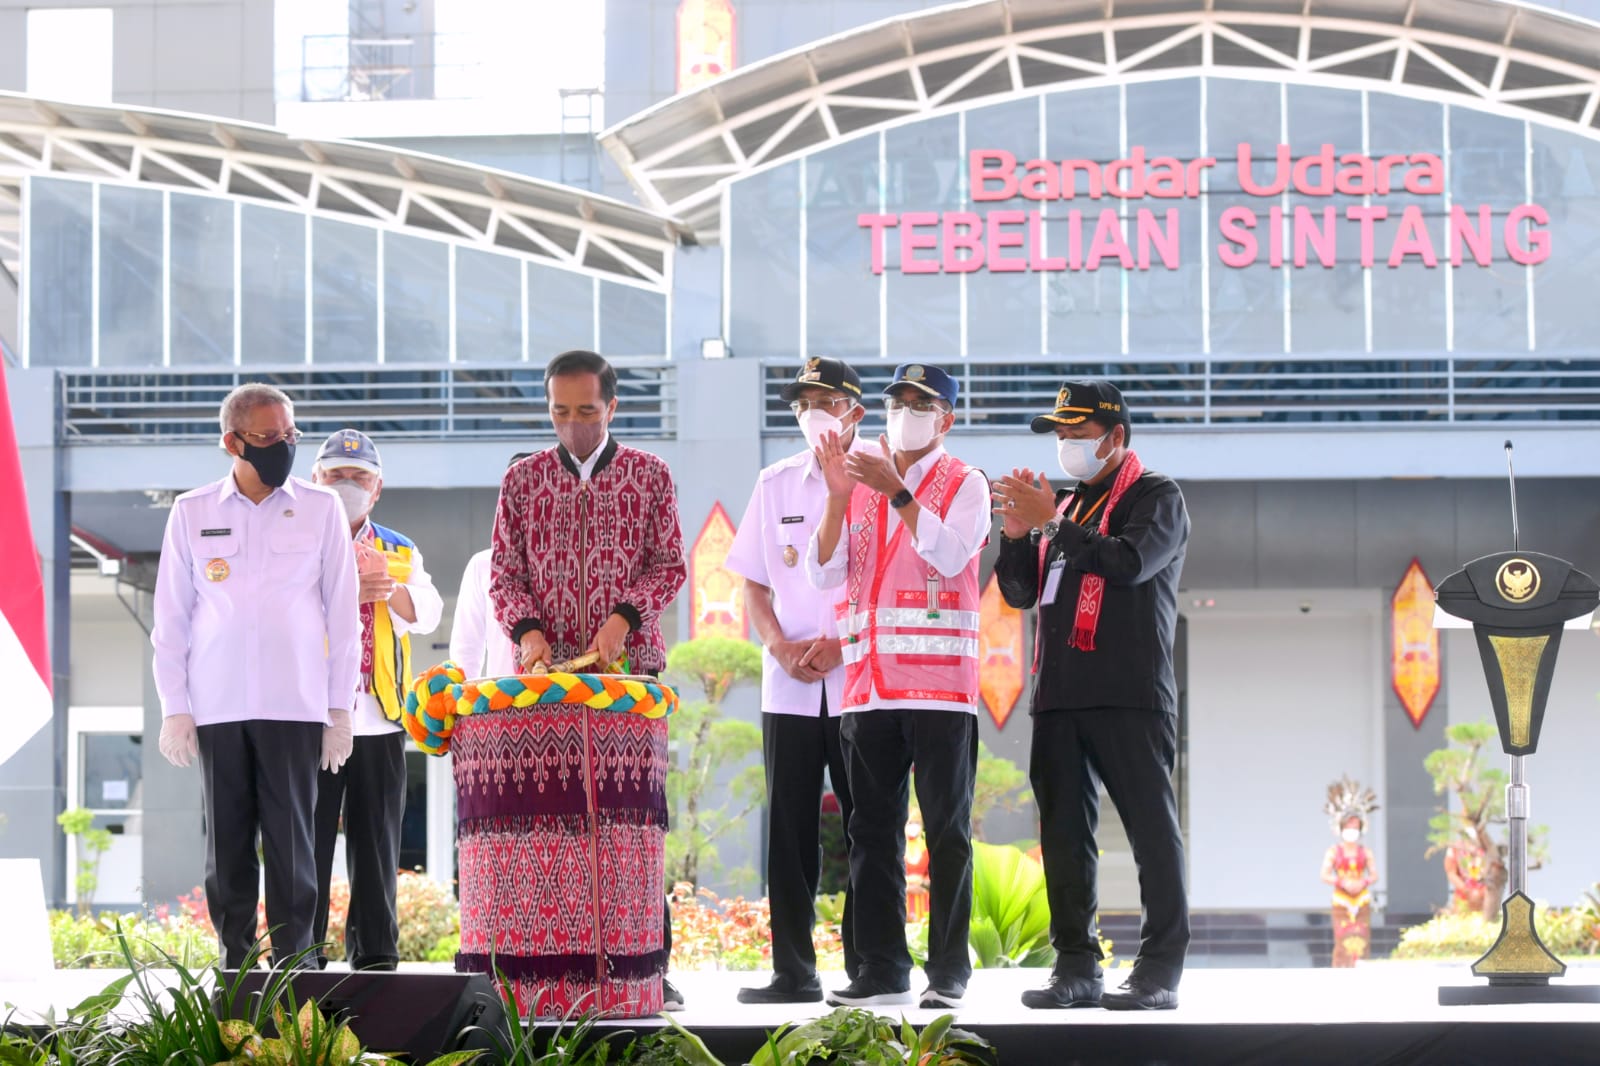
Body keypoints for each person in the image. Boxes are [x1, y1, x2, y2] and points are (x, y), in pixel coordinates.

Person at [489, 348, 688, 1009]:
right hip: (547, 684)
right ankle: (563, 971)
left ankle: (649, 968)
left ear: (612, 407)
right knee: (556, 825)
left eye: (586, 411)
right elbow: (504, 575)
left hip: (628, 678)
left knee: (634, 825)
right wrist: (529, 635)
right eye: (559, 412)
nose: (572, 425)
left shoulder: (650, 475)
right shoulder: (522, 482)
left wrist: (623, 621)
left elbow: (669, 565)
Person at [993, 379, 1190, 1011]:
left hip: (1130, 694)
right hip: (1059, 697)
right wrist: (1021, 533)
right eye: (1061, 435)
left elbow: (1129, 562)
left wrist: (1050, 519)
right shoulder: (1068, 506)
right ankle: (1076, 966)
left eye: (1077, 435)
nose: (1066, 445)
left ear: (1116, 437)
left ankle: (1159, 970)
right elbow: (1021, 594)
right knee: (1064, 837)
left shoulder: (1155, 496)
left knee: (1151, 833)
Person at [151, 383, 359, 970]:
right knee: (228, 849)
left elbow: (344, 622)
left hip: (294, 707)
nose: (283, 447)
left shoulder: (320, 510)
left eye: (290, 436)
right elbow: (170, 619)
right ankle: (234, 970)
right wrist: (175, 706)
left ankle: (298, 973)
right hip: (217, 708)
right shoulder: (192, 512)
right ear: (232, 442)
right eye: (268, 438)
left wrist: (338, 709)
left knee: (294, 850)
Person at [807, 363, 990, 1010]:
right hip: (869, 688)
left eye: (922, 403)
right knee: (872, 832)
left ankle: (949, 973)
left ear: (947, 418)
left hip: (940, 690)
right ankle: (882, 967)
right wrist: (835, 497)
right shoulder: (853, 480)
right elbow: (824, 576)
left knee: (947, 833)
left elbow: (948, 556)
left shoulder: (966, 483)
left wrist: (900, 495)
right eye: (898, 401)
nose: (907, 411)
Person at [724, 356, 867, 1004]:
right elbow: (753, 581)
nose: (813, 410)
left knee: (870, 827)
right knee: (789, 830)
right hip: (788, 685)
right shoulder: (775, 481)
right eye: (803, 401)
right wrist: (777, 646)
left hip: (862, 681)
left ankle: (869, 969)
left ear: (853, 411)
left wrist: (844, 646)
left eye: (825, 399)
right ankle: (793, 971)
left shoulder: (880, 479)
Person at [309, 429, 443, 970]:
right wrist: (340, 594)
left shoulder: (399, 547)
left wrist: (393, 590)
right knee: (306, 846)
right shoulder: (297, 541)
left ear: (378, 487)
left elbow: (429, 611)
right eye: (336, 476)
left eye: (358, 477)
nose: (347, 486)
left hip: (382, 720)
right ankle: (300, 957)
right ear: (314, 480)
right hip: (311, 720)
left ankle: (376, 958)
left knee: (377, 847)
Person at [450, 455, 531, 679]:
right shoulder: (482, 565)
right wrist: (463, 709)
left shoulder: (575, 568)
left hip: (564, 701)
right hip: (500, 704)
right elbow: (466, 650)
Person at [1320, 777, 1380, 968]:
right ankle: (1340, 969)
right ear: (1341, 827)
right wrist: (1342, 882)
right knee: (1343, 937)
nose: (1352, 831)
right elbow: (1324, 874)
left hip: (1361, 898)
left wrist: (1363, 882)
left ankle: (1360, 968)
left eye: (1355, 827)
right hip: (1341, 900)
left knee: (1361, 937)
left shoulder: (1365, 852)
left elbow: (1374, 874)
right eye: (1348, 827)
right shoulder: (1334, 852)